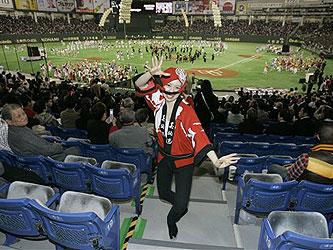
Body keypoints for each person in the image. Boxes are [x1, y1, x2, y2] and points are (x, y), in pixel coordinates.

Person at [134, 56, 239, 239]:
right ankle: (179, 202)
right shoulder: (158, 99)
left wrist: (214, 159)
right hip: (164, 157)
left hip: (184, 161)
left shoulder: (186, 110)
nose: (171, 91)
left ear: (181, 90)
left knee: (181, 206)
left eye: (177, 88)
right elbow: (139, 84)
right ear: (162, 83)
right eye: (169, 85)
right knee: (164, 193)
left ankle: (172, 218)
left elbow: (198, 135)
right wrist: (150, 74)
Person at [2, 104, 81, 162]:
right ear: (9, 121)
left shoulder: (13, 129)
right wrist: (58, 145)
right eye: (18, 116)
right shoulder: (21, 135)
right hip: (48, 161)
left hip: (38, 156)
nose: (24, 117)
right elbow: (48, 150)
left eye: (23, 113)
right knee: (78, 149)